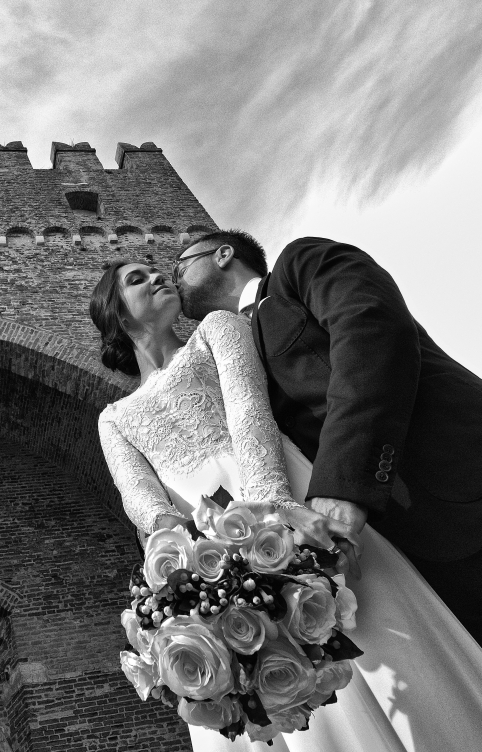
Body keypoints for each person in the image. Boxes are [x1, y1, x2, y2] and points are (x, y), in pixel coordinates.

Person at [92, 259, 482, 751]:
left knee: (372, 626)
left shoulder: (216, 329)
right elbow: (147, 508)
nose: (157, 276)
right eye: (136, 278)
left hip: (277, 483)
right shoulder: (113, 419)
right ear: (117, 314)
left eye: (157, 269)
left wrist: (272, 508)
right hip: (200, 543)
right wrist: (183, 586)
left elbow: (250, 412)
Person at [172, 231, 482, 642]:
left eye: (179, 268)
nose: (171, 280)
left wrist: (345, 484)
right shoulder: (227, 365)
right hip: (403, 557)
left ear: (223, 254)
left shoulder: (300, 265)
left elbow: (371, 329)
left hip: (456, 475)